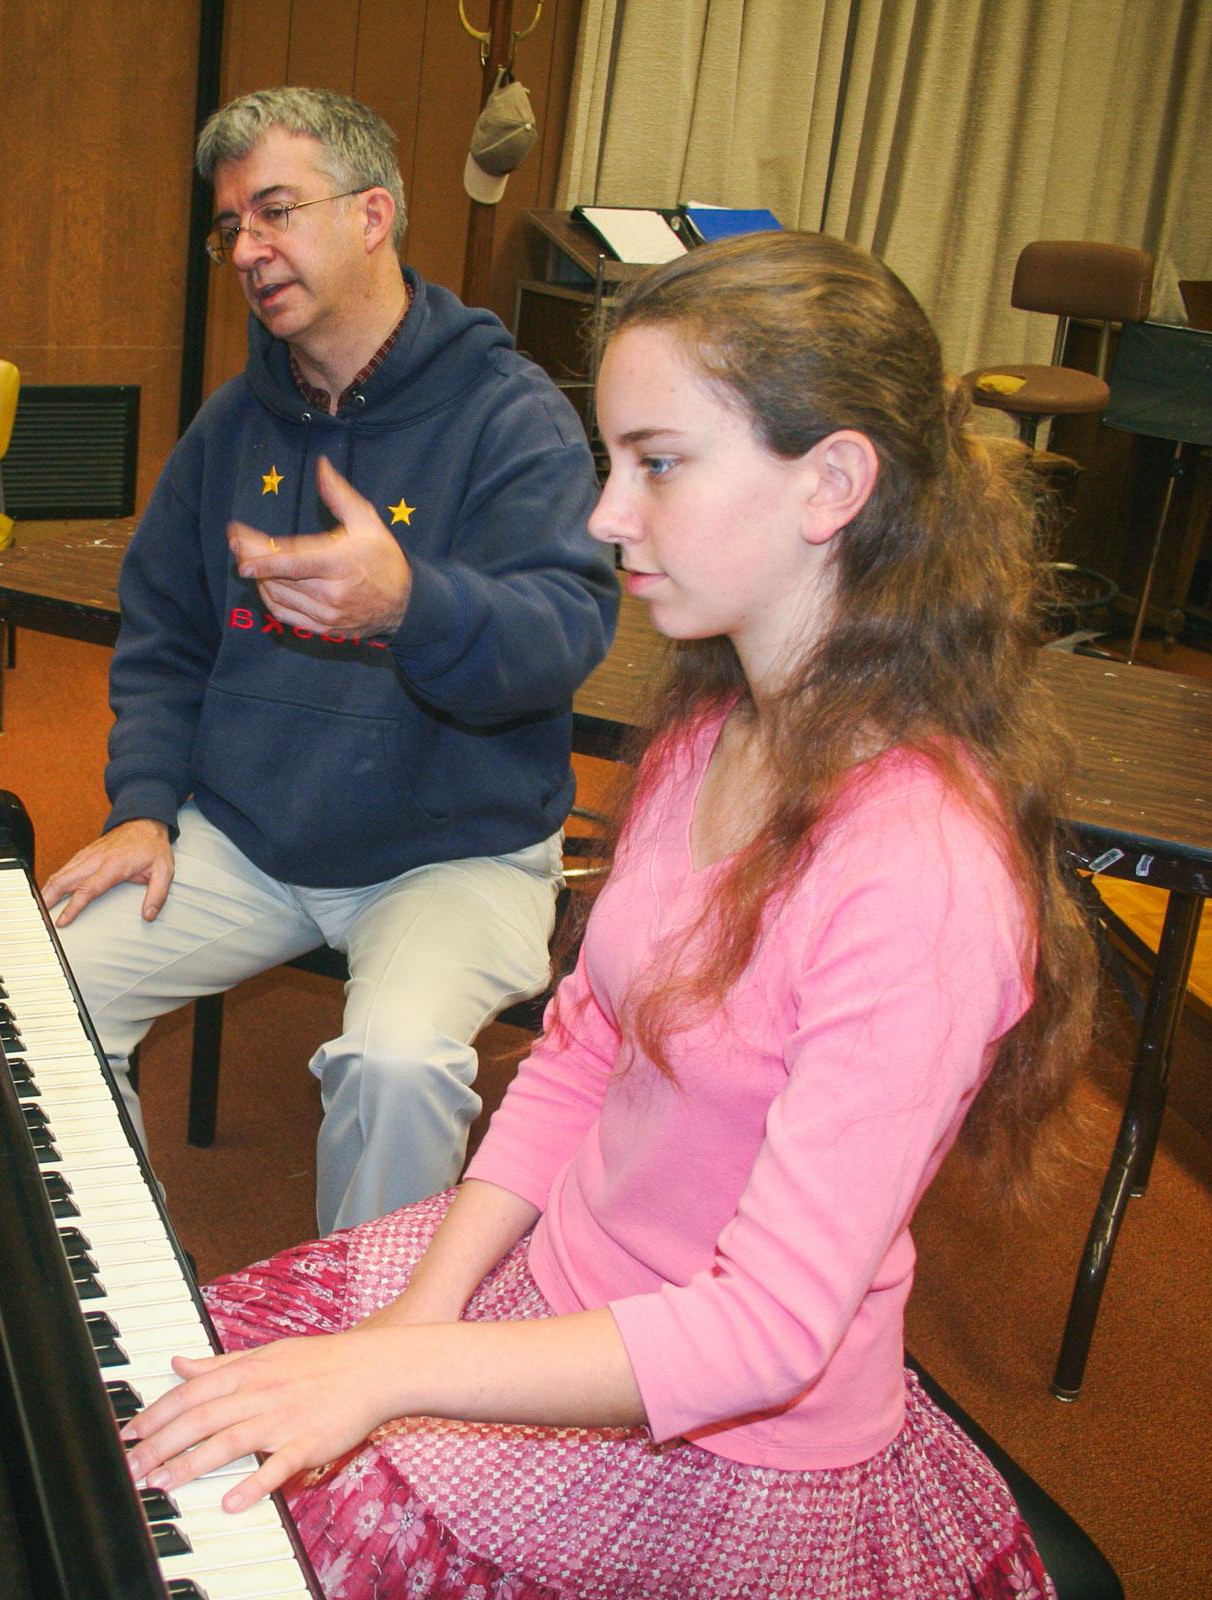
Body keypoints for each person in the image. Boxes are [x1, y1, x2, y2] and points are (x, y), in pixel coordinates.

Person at [117, 230, 1099, 1599]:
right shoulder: (713, 733)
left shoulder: (922, 868)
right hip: (561, 1280)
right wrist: (419, 1312)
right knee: (162, 1395)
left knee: (221, 1529)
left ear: (831, 484)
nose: (602, 516)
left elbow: (762, 1333)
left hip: (718, 1437)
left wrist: (394, 1371)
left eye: (659, 463)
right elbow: (584, 1052)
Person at [41, 88, 617, 1234]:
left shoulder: (511, 417)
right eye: (229, 228)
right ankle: (118, 1286)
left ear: (372, 216)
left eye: (274, 211)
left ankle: (366, 1376)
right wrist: (144, 805)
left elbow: (564, 634)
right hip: (253, 834)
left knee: (395, 1066)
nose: (246, 250)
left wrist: (411, 603)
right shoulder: (231, 424)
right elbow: (163, 632)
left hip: (455, 849)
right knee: (41, 989)